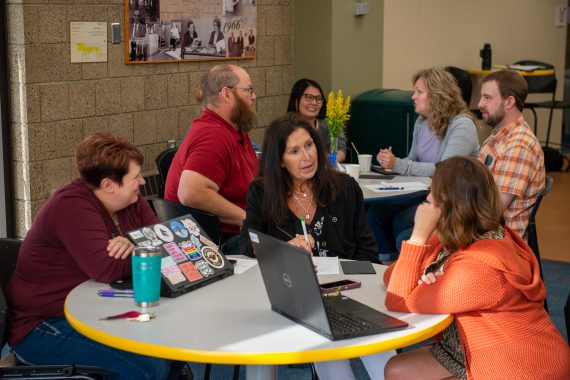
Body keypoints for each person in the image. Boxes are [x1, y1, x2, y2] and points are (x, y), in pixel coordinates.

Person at [5, 134, 187, 380]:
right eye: (135, 177)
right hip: (43, 325)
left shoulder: (129, 201)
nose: (143, 182)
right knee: (148, 367)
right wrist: (141, 247)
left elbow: (166, 243)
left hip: (97, 310)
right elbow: (107, 269)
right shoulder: (70, 205)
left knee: (175, 345)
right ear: (109, 184)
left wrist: (134, 245)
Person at [382, 156, 570, 380]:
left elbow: (397, 299)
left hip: (519, 365)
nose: (428, 197)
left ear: (453, 203)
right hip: (469, 346)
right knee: (395, 369)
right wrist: (427, 269)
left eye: (435, 191)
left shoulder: (480, 266)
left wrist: (418, 236)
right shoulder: (458, 235)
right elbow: (390, 276)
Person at [239, 112, 391, 380]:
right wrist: (283, 249)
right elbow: (248, 248)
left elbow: (369, 255)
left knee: (381, 353)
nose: (307, 157)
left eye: (309, 145)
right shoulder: (262, 193)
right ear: (281, 161)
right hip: (295, 299)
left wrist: (343, 281)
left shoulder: (344, 188)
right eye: (294, 151)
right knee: (328, 353)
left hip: (349, 293)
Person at [367, 68, 480, 260]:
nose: (413, 96)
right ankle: (385, 264)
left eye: (419, 92)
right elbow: (412, 160)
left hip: (450, 200)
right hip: (424, 193)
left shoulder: (462, 125)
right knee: (373, 214)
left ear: (437, 95)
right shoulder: (421, 122)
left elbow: (443, 170)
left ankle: (403, 270)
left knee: (401, 227)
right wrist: (392, 161)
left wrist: (399, 165)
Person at [165, 64, 258, 255]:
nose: (253, 96)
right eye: (248, 90)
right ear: (227, 94)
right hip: (219, 245)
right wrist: (247, 218)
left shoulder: (232, 129)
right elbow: (190, 192)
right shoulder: (213, 135)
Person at [477, 69, 545, 239]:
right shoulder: (496, 137)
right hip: (481, 231)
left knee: (414, 234)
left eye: (487, 98)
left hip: (499, 242)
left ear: (509, 102)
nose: (479, 104)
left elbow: (490, 213)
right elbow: (473, 186)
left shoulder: (519, 146)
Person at [286, 78, 347, 163]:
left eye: (318, 98)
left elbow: (341, 150)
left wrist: (330, 162)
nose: (314, 103)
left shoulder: (331, 124)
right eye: (309, 97)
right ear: (296, 100)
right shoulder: (285, 127)